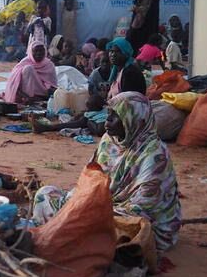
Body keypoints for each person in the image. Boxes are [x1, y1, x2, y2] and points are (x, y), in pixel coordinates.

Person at [33, 92, 181, 252]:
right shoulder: (108, 142)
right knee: (45, 194)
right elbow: (89, 180)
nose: (107, 120)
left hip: (135, 219)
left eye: (115, 116)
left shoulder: (154, 154)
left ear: (134, 120)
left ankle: (68, 235)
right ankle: (69, 234)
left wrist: (94, 210)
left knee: (119, 230)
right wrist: (79, 201)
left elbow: (143, 207)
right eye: (108, 114)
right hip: (102, 206)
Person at [3, 39, 57, 104]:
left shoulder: (49, 64)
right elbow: (14, 84)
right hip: (24, 94)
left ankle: (37, 98)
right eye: (36, 51)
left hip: (43, 94)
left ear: (45, 51)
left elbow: (52, 84)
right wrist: (26, 97)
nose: (39, 53)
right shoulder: (24, 63)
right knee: (28, 68)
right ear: (31, 52)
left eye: (41, 50)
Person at [29, 93, 108, 137]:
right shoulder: (99, 110)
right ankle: (46, 128)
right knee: (79, 120)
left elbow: (100, 131)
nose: (87, 109)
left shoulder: (102, 116)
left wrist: (85, 120)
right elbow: (87, 113)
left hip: (98, 130)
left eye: (89, 107)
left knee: (81, 121)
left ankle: (46, 128)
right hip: (95, 126)